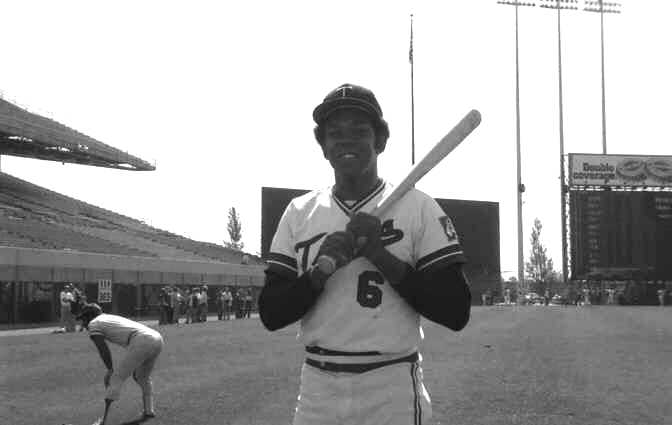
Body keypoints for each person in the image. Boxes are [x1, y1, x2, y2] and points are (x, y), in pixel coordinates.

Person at [258, 83, 472, 425]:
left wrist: (378, 254)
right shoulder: (299, 212)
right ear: (323, 146)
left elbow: (455, 310)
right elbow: (271, 312)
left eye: (359, 131)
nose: (346, 140)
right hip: (317, 389)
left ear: (380, 141)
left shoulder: (419, 208)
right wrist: (317, 275)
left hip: (391, 387)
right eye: (334, 133)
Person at [76, 303, 164, 425]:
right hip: (157, 338)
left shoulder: (94, 323)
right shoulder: (108, 317)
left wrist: (110, 370)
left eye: (84, 318)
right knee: (142, 377)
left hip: (141, 340)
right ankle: (149, 410)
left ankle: (104, 421)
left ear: (90, 315)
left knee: (116, 378)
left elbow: (102, 348)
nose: (83, 322)